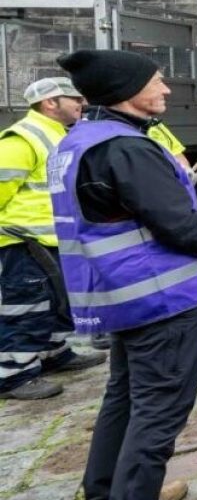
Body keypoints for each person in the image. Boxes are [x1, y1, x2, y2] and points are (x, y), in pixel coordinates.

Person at [55, 49, 197, 500]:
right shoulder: (126, 149)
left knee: (126, 400)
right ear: (126, 90)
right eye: (157, 81)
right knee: (159, 409)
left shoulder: (81, 140)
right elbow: (177, 224)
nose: (166, 90)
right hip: (157, 295)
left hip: (117, 294)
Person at [0, 78, 105, 402]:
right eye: (74, 98)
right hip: (22, 241)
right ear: (50, 103)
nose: (82, 103)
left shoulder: (60, 134)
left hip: (53, 239)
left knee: (58, 303)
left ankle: (53, 352)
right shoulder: (21, 139)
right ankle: (13, 374)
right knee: (25, 306)